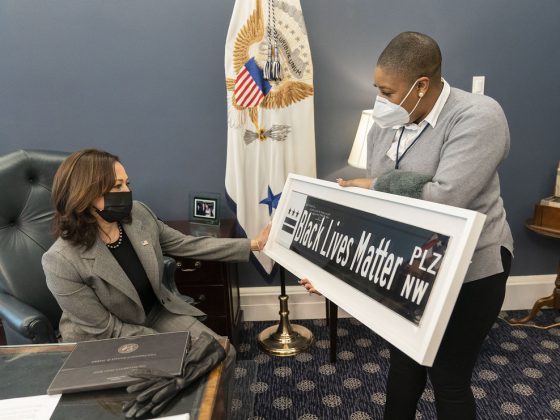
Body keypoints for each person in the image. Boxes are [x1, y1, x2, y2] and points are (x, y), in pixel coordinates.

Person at [300, 32, 513, 420]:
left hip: (471, 268)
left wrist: (375, 184)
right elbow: (381, 210)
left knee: (447, 375)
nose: (380, 101)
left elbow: (445, 199)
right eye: (377, 90)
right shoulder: (385, 125)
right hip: (410, 265)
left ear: (421, 86)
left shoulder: (479, 116)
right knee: (404, 364)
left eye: (387, 92)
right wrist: (335, 273)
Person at [43, 148, 270, 345]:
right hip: (103, 337)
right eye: (117, 186)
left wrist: (254, 244)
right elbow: (107, 329)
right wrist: (165, 343)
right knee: (178, 369)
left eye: (127, 184)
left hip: (155, 314)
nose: (126, 192)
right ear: (85, 195)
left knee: (222, 351)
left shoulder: (138, 213)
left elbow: (186, 244)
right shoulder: (60, 260)